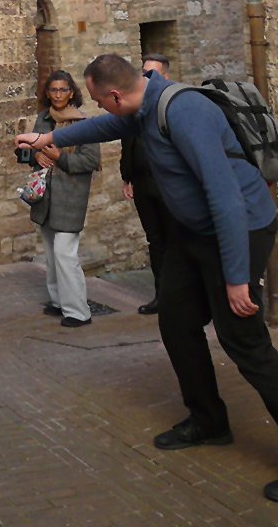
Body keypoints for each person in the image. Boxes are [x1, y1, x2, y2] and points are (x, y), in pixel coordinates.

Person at [16, 53, 278, 503]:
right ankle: (208, 421)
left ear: (117, 94)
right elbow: (104, 127)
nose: (99, 107)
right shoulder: (140, 105)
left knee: (243, 341)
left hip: (238, 229)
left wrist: (237, 277)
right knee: (176, 321)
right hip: (193, 233)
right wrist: (49, 137)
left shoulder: (185, 112)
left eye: (100, 100)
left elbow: (227, 198)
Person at [28, 70, 101, 327]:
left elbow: (91, 160)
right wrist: (36, 155)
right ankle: (58, 301)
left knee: (65, 253)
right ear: (47, 93)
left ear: (71, 93)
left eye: (63, 90)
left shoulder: (84, 124)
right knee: (51, 252)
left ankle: (78, 311)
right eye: (53, 90)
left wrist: (60, 157)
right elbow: (27, 149)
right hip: (46, 196)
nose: (58, 95)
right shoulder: (43, 120)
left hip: (70, 197)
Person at [120, 53, 173, 314]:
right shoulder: (137, 106)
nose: (146, 78)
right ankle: (162, 296)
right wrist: (127, 176)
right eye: (144, 73)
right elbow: (127, 140)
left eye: (152, 73)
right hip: (143, 182)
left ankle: (183, 298)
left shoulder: (171, 104)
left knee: (175, 238)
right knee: (155, 240)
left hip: (166, 182)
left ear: (165, 76)